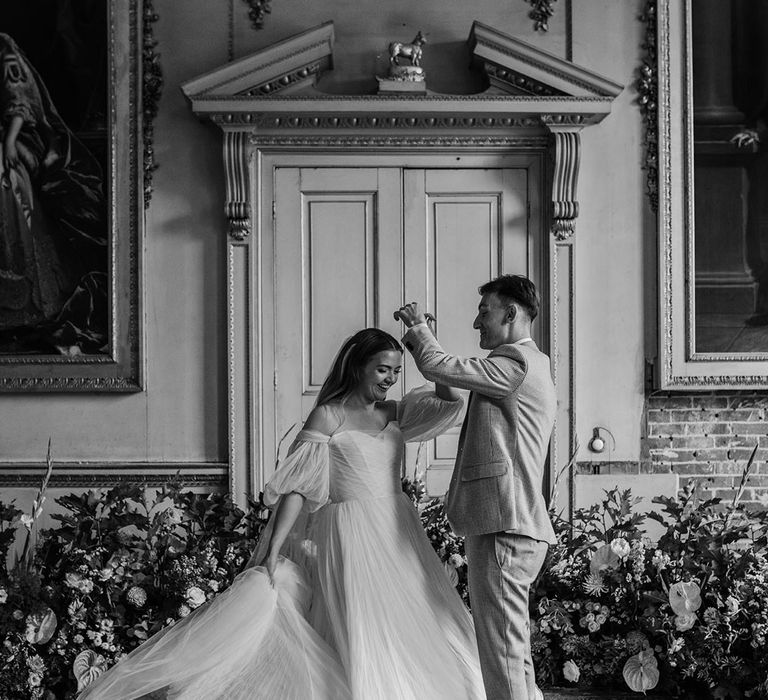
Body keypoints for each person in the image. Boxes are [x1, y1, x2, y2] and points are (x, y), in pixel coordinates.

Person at [79, 328, 486, 700]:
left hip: (398, 527)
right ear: (358, 366)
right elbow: (298, 487)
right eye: (382, 369)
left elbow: (451, 400)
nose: (389, 379)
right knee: (362, 620)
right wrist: (274, 548)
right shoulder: (329, 415)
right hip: (351, 529)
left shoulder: (393, 412)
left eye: (395, 372)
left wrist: (421, 345)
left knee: (411, 614)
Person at [395, 274, 557, 700]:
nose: (476, 322)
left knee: (502, 655)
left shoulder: (517, 363)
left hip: (506, 525)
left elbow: (440, 366)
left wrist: (418, 329)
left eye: (484, 312)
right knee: (512, 651)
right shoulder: (523, 364)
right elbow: (448, 376)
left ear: (511, 313)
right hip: (511, 524)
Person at [0, 32, 107, 354]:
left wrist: (8, 142)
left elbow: (19, 99)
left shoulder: (3, 49)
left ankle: (21, 307)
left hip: (12, 140)